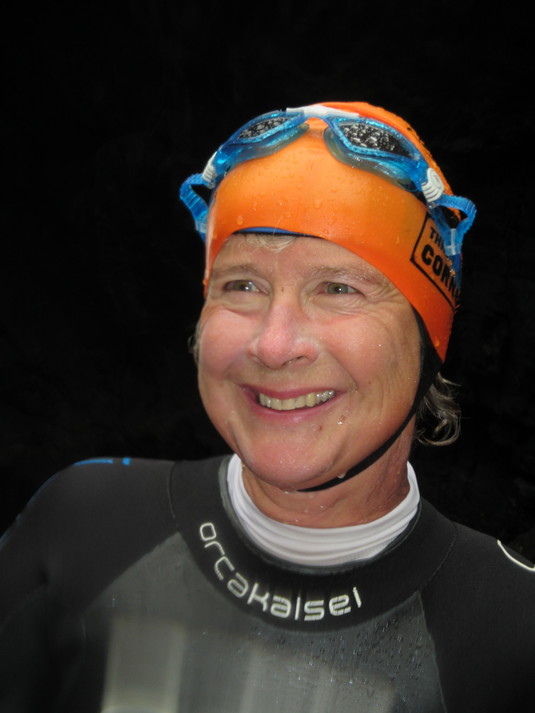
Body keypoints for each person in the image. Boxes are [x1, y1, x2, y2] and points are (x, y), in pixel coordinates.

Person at [1, 101, 533, 713]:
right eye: (242, 285)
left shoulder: (513, 633)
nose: (274, 345)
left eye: (338, 288)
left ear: (428, 341)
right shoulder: (82, 526)